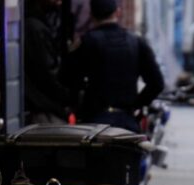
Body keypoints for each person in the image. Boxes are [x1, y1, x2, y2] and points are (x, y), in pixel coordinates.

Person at [62, 0, 165, 132]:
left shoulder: (86, 42)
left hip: (93, 123)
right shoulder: (136, 42)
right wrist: (136, 104)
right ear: (118, 12)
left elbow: (66, 78)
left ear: (92, 15)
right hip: (126, 123)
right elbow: (157, 83)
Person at [25, 0, 72, 124]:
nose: (60, 3)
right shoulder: (36, 28)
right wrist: (67, 95)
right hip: (44, 109)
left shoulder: (36, 24)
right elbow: (48, 73)